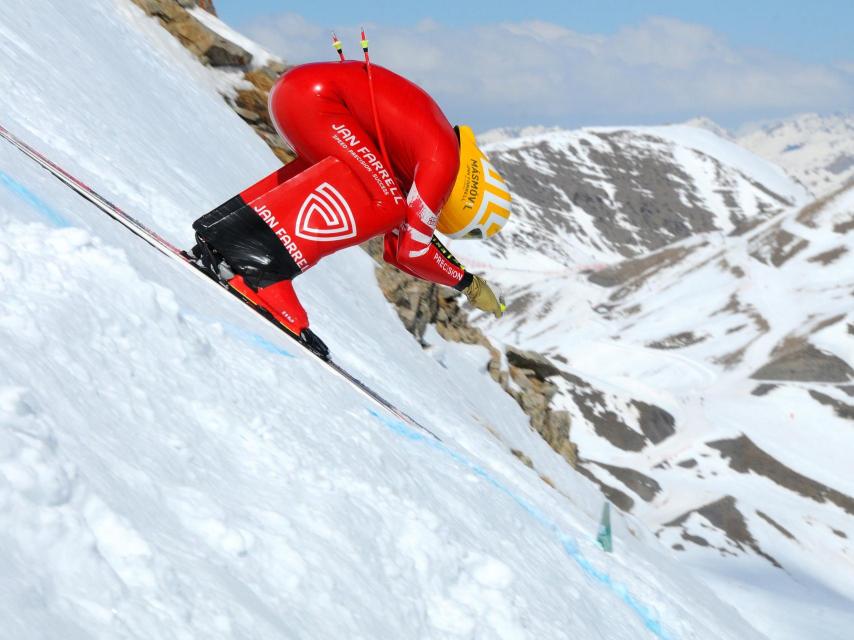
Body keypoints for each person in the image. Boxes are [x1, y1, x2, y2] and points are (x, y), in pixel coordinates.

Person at [191, 59, 511, 353]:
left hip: (299, 92)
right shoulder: (442, 162)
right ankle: (260, 272)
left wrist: (461, 276)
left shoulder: (428, 145)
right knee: (387, 202)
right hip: (318, 101)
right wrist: (468, 284)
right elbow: (412, 249)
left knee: (354, 182)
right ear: (465, 204)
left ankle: (221, 235)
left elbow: (396, 247)